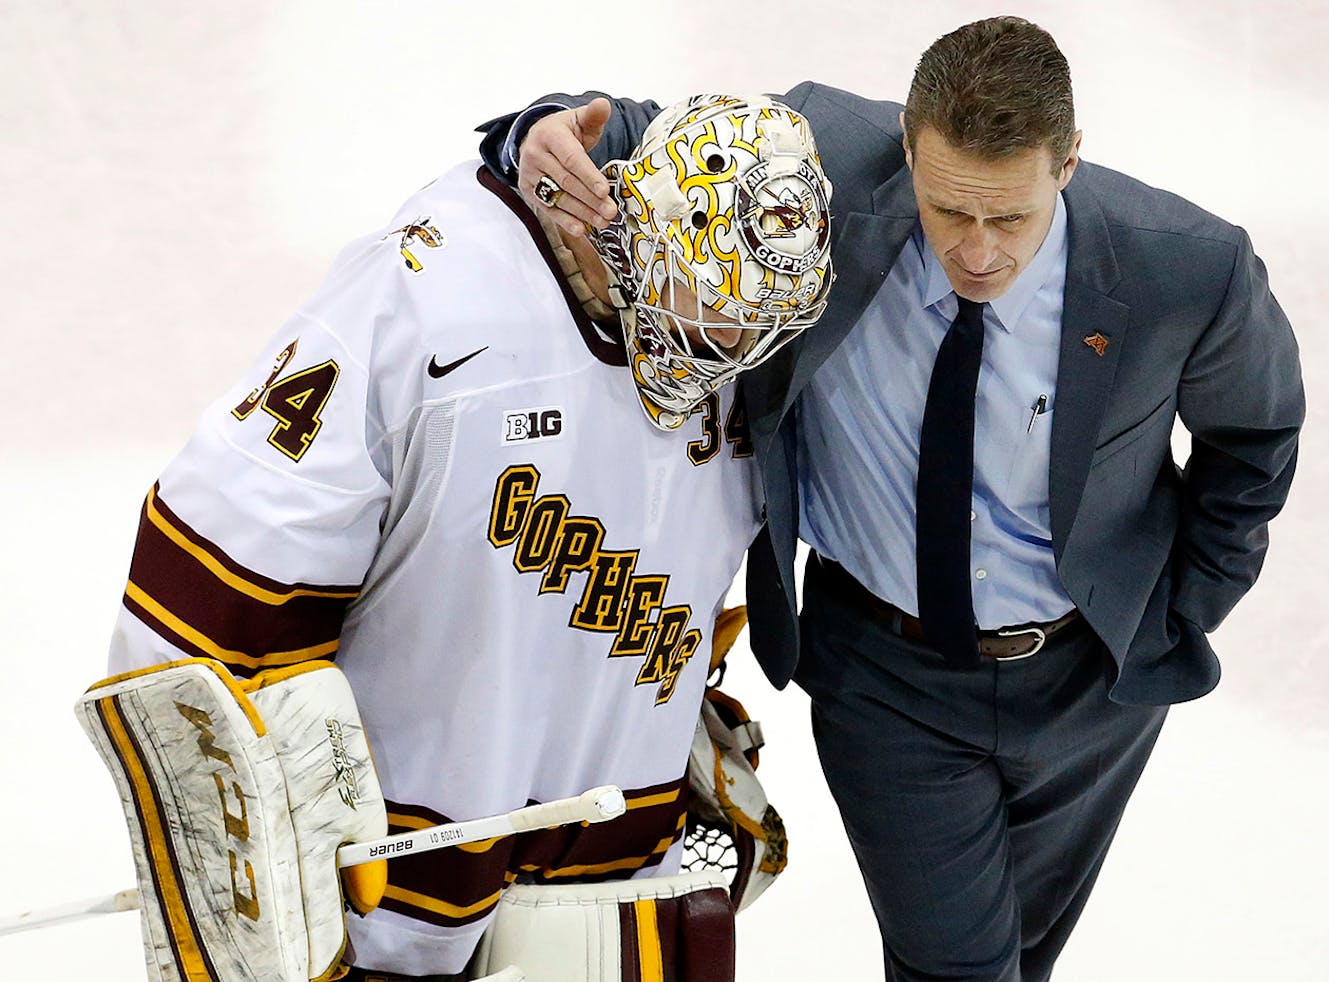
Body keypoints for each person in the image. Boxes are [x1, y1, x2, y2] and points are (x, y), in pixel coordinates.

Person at [478, 15, 1306, 982]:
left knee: (1018, 959)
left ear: (1069, 163)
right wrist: (539, 128)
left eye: (1011, 219)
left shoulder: (1186, 269)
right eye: (950, 211)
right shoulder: (817, 160)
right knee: (955, 967)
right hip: (883, 676)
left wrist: (1177, 610)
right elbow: (631, 138)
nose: (980, 252)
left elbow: (1254, 441)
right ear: (905, 146)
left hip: (1092, 688)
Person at [99, 93, 835, 981]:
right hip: (377, 928)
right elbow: (196, 612)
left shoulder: (736, 354)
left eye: (764, 321)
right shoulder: (430, 304)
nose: (734, 342)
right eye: (715, 304)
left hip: (614, 910)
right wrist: (238, 899)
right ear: (635, 219)